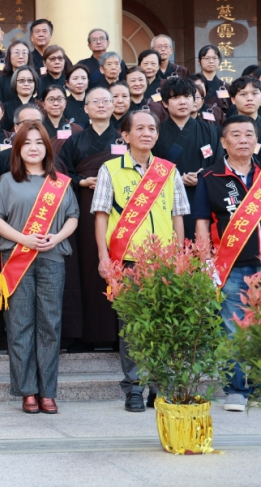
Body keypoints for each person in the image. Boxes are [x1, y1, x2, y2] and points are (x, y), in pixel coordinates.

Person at [93, 109, 188, 412]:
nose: (147, 133)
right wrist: (103, 256)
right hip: (128, 260)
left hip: (162, 262)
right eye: (140, 128)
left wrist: (179, 256)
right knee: (132, 327)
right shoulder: (110, 169)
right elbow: (101, 215)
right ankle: (134, 388)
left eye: (152, 129)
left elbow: (177, 216)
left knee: (161, 326)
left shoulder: (168, 171)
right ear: (125, 134)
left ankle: (159, 388)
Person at [0, 121, 79, 414]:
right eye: (26, 142)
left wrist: (56, 237)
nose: (32, 147)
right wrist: (24, 238)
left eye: (38, 142)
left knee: (50, 325)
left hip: (52, 258)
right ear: (18, 148)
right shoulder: (7, 180)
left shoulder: (60, 182)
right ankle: (27, 391)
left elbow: (72, 218)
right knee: (19, 324)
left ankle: (48, 392)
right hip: (16, 258)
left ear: (47, 148)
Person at [193, 115, 261, 413]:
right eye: (236, 134)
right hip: (231, 265)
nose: (243, 139)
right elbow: (201, 223)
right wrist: (206, 262)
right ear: (223, 142)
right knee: (233, 328)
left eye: (249, 134)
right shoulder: (210, 178)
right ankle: (237, 389)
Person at [59, 88, 122, 348]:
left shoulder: (121, 139)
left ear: (113, 106)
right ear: (85, 108)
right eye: (94, 102)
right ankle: (84, 335)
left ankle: (114, 334)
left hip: (117, 209)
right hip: (84, 210)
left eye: (106, 101)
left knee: (115, 264)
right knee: (86, 266)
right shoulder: (74, 141)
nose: (101, 105)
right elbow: (62, 174)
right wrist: (82, 181)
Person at [153, 77, 222, 239]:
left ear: (194, 100)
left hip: (202, 197)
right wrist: (175, 179)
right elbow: (150, 166)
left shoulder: (210, 131)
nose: (182, 102)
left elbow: (219, 163)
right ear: (164, 103)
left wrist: (203, 176)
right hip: (168, 198)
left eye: (187, 96)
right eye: (175, 98)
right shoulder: (156, 133)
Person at [0, 40, 31, 104]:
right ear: (9, 56)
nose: (21, 56)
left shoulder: (35, 80)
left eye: (24, 53)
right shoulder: (1, 81)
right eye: (16, 53)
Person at [1, 66, 39, 132]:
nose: (26, 84)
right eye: (22, 80)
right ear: (15, 83)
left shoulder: (42, 107)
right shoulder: (4, 108)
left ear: (35, 84)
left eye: (30, 80)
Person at [198, 45, 229, 113]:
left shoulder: (225, 86)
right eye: (207, 58)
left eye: (214, 58)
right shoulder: (191, 83)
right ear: (199, 61)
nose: (211, 61)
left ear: (219, 61)